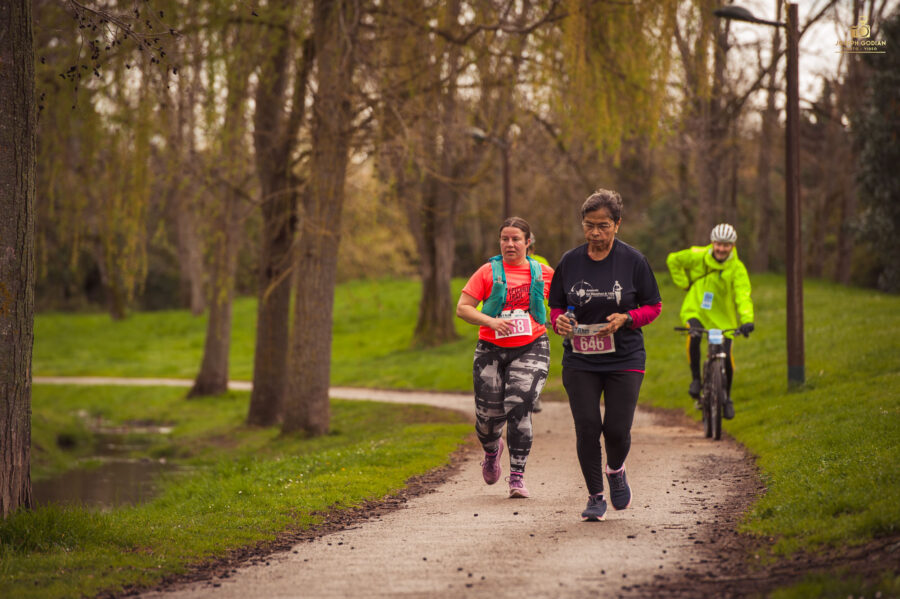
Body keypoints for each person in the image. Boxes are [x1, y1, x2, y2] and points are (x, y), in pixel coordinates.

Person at [549, 189, 662, 521]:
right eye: (588, 226)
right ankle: (595, 496)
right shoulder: (570, 261)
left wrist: (627, 318)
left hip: (624, 356)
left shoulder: (633, 261)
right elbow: (554, 306)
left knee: (616, 429)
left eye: (602, 226)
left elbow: (654, 306)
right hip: (581, 358)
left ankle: (615, 470)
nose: (595, 233)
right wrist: (560, 322)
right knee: (586, 427)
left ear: (617, 224)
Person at [456, 217, 554, 499]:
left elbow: (563, 301)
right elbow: (463, 308)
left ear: (528, 242)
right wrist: (491, 321)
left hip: (531, 345)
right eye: (505, 239)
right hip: (491, 350)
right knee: (487, 419)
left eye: (516, 239)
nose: (510, 244)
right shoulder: (487, 272)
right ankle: (491, 449)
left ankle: (517, 476)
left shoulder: (544, 273)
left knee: (519, 405)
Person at [666, 224, 755, 420]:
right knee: (694, 335)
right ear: (712, 242)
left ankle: (727, 397)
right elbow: (673, 260)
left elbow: (743, 296)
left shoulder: (737, 269)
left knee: (727, 358)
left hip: (722, 320)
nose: (721, 249)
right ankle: (696, 380)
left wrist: (747, 320)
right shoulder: (698, 255)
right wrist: (683, 283)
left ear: (733, 246)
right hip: (695, 309)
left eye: (726, 245)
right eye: (718, 244)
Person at [527, 233, 551, 414]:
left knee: (536, 364)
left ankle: (535, 394)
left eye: (529, 248)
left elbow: (551, 293)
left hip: (538, 323)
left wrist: (553, 317)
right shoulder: (501, 266)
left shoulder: (541, 263)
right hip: (513, 324)